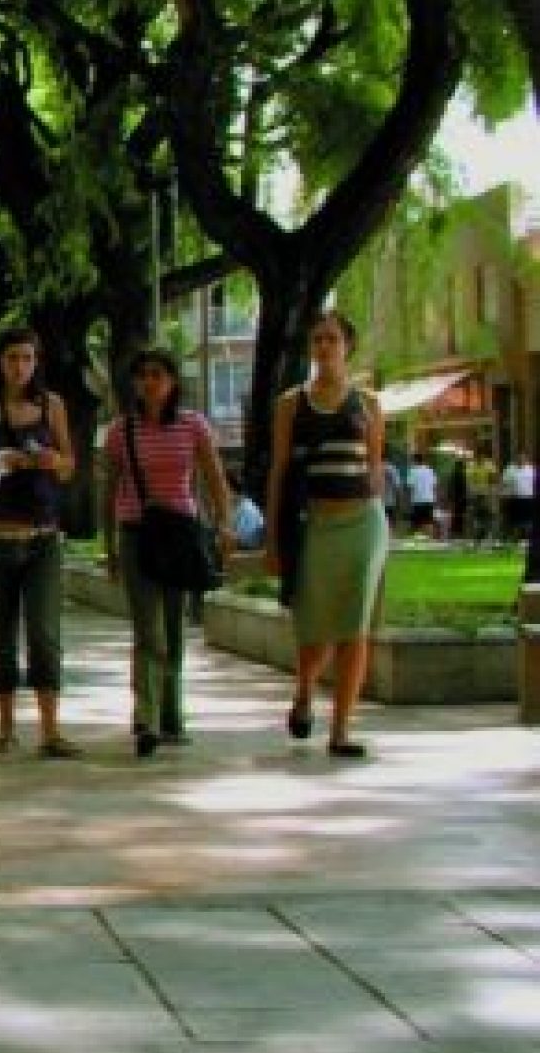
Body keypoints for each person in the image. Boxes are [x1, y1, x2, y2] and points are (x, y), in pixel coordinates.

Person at [265, 310, 387, 760]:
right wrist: (274, 539)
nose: (324, 348)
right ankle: (304, 691)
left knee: (354, 625)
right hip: (314, 523)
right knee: (314, 625)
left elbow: (374, 466)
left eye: (332, 339)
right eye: (317, 340)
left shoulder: (369, 402)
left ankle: (341, 729)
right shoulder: (291, 404)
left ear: (347, 346)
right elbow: (279, 470)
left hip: (363, 523)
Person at [102, 348, 235, 758]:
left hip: (179, 535)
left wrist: (225, 524)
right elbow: (109, 490)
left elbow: (214, 478)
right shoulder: (121, 431)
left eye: (157, 374)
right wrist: (109, 545)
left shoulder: (193, 426)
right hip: (138, 533)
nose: (149, 382)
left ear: (173, 380)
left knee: (175, 628)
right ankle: (147, 718)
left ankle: (172, 715)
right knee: (148, 629)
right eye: (142, 375)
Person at [0, 325, 79, 758]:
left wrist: (50, 461)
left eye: (27, 358)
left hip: (43, 537)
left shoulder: (54, 407)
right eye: (12, 358)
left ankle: (51, 728)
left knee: (45, 633)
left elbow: (69, 467)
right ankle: (6, 726)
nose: (20, 367)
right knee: (1, 633)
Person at [504, 454, 536, 544]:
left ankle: (528, 539)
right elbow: (505, 483)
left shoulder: (531, 470)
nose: (521, 460)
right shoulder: (510, 469)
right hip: (515, 498)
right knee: (515, 521)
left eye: (523, 458)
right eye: (519, 458)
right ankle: (515, 539)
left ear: (526, 459)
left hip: (529, 498)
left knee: (529, 521)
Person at [405, 451, 438, 536]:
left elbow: (410, 487)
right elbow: (434, 486)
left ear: (415, 460)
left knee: (415, 523)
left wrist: (408, 501)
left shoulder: (412, 471)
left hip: (417, 500)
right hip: (429, 499)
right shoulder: (430, 471)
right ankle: (429, 538)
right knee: (428, 521)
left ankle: (416, 538)